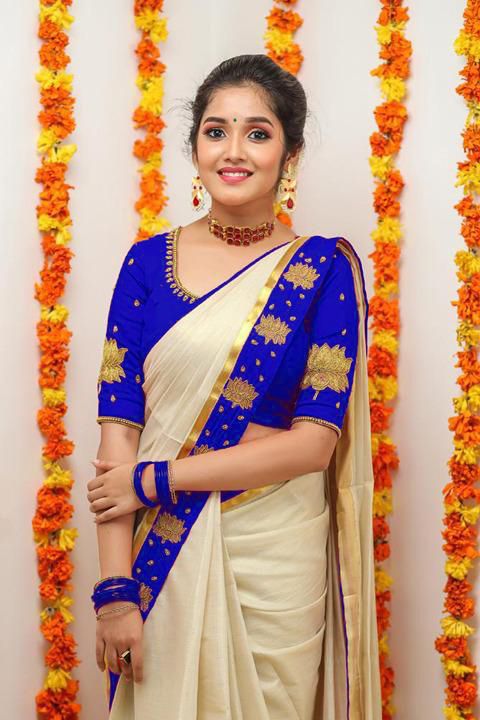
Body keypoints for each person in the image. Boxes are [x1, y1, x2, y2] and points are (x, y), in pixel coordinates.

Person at [86, 54, 382, 719]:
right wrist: (115, 593)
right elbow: (117, 439)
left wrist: (154, 480)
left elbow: (313, 444)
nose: (234, 151)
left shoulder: (322, 270)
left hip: (277, 560)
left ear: (289, 153)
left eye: (258, 133)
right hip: (163, 555)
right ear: (195, 147)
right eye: (216, 131)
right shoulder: (146, 264)